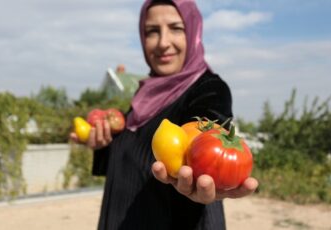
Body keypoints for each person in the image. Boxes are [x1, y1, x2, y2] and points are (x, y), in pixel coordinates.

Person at [71, 0, 258, 229]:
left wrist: (207, 174)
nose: (162, 42)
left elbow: (205, 136)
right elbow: (133, 156)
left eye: (176, 28)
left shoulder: (209, 89)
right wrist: (102, 144)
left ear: (193, 32)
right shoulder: (146, 94)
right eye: (152, 31)